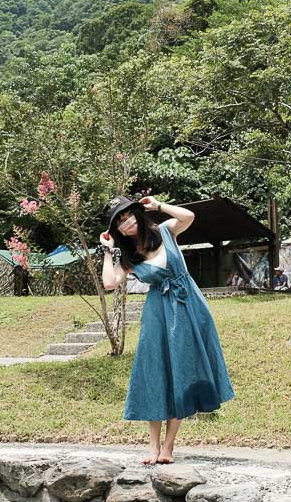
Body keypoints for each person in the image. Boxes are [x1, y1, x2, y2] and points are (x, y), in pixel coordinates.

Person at [99, 194, 235, 465]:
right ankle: (152, 448)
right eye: (121, 223)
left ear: (139, 213)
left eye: (129, 217)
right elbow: (110, 283)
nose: (127, 225)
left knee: (182, 373)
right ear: (116, 230)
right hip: (157, 313)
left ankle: (168, 448)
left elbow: (188, 217)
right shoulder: (129, 257)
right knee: (155, 372)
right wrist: (107, 250)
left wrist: (158, 206)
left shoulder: (165, 232)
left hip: (188, 307)